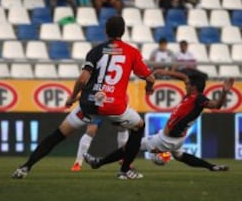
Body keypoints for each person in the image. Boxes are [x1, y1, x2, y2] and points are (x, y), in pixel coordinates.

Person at [12, 16, 155, 180]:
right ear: (123, 31)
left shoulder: (96, 51)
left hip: (89, 104)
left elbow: (82, 79)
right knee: (139, 127)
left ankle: (25, 167)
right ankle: (124, 170)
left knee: (58, 135)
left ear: (105, 31)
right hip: (115, 107)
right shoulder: (131, 52)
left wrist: (72, 97)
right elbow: (150, 78)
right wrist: (148, 88)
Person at [84, 69, 233, 172]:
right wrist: (165, 72)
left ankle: (99, 163)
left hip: (166, 140)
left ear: (194, 87)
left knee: (130, 147)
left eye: (188, 84)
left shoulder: (199, 98)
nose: (185, 85)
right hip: (176, 138)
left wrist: (224, 92)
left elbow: (217, 105)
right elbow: (183, 77)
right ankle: (212, 167)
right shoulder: (192, 95)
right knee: (180, 156)